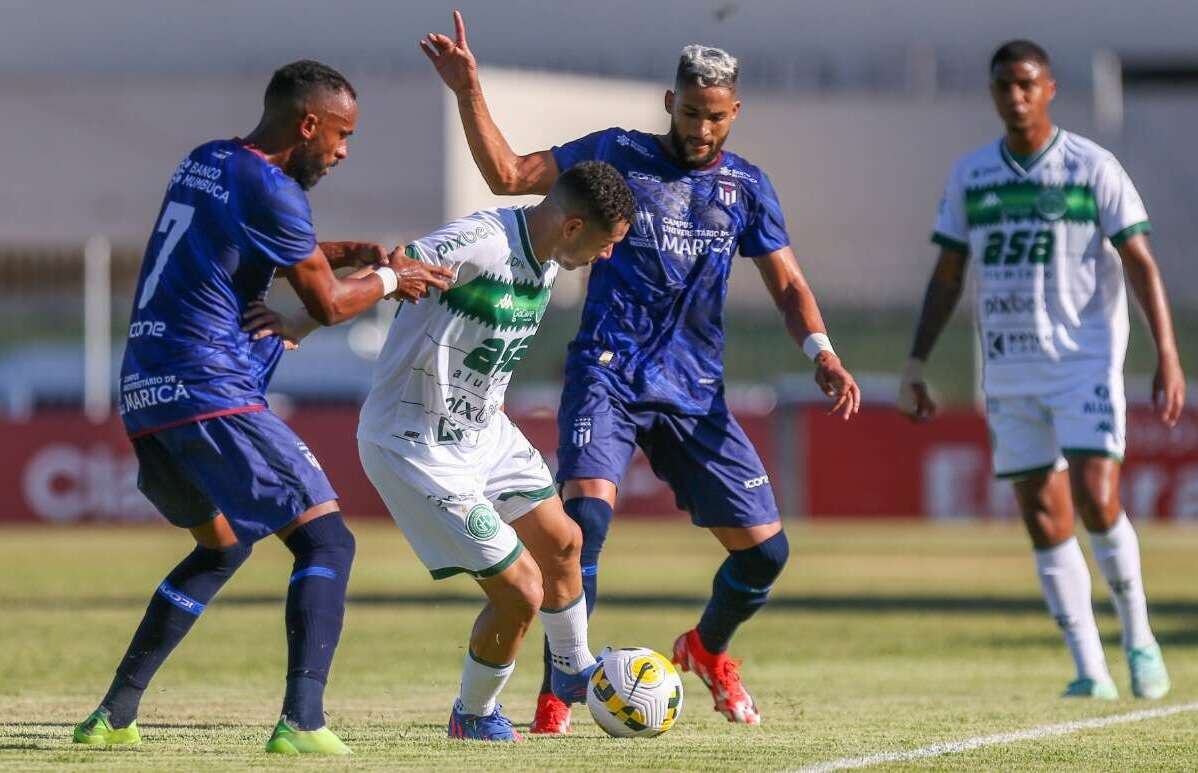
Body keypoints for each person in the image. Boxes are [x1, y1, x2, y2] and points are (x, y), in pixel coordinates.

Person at [420, 11, 860, 730]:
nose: (702, 129)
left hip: (693, 395)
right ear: (669, 103)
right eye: (690, 113)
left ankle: (707, 648)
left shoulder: (747, 188)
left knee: (766, 556)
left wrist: (823, 352)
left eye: (716, 116)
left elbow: (787, 283)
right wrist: (469, 88)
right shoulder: (616, 154)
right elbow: (508, 175)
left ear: (735, 112)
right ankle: (558, 691)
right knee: (584, 523)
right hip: (608, 376)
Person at [71, 60, 452, 755]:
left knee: (221, 546)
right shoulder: (275, 190)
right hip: (209, 385)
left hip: (145, 392)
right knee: (328, 539)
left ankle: (112, 714)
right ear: (308, 124)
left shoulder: (206, 160)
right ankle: (302, 722)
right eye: (341, 135)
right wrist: (392, 276)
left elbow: (251, 247)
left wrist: (339, 252)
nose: (342, 152)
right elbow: (327, 304)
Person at [251, 161, 630, 740]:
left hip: (484, 431)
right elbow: (396, 265)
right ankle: (472, 715)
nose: (605, 258)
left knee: (565, 543)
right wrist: (301, 321)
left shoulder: (550, 261)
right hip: (414, 443)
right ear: (575, 226)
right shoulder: (482, 241)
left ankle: (573, 669)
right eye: (606, 245)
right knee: (522, 592)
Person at [899, 40, 1184, 700]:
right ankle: (1090, 666)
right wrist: (916, 359)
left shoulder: (1092, 166)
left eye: (1027, 84)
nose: (1016, 96)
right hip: (1009, 369)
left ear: (1050, 88)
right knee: (1043, 516)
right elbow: (948, 273)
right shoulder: (973, 175)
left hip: (1083, 362)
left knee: (1095, 497)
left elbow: (1141, 261)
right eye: (1004, 86)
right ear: (995, 93)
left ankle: (1138, 635)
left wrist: (1167, 352)